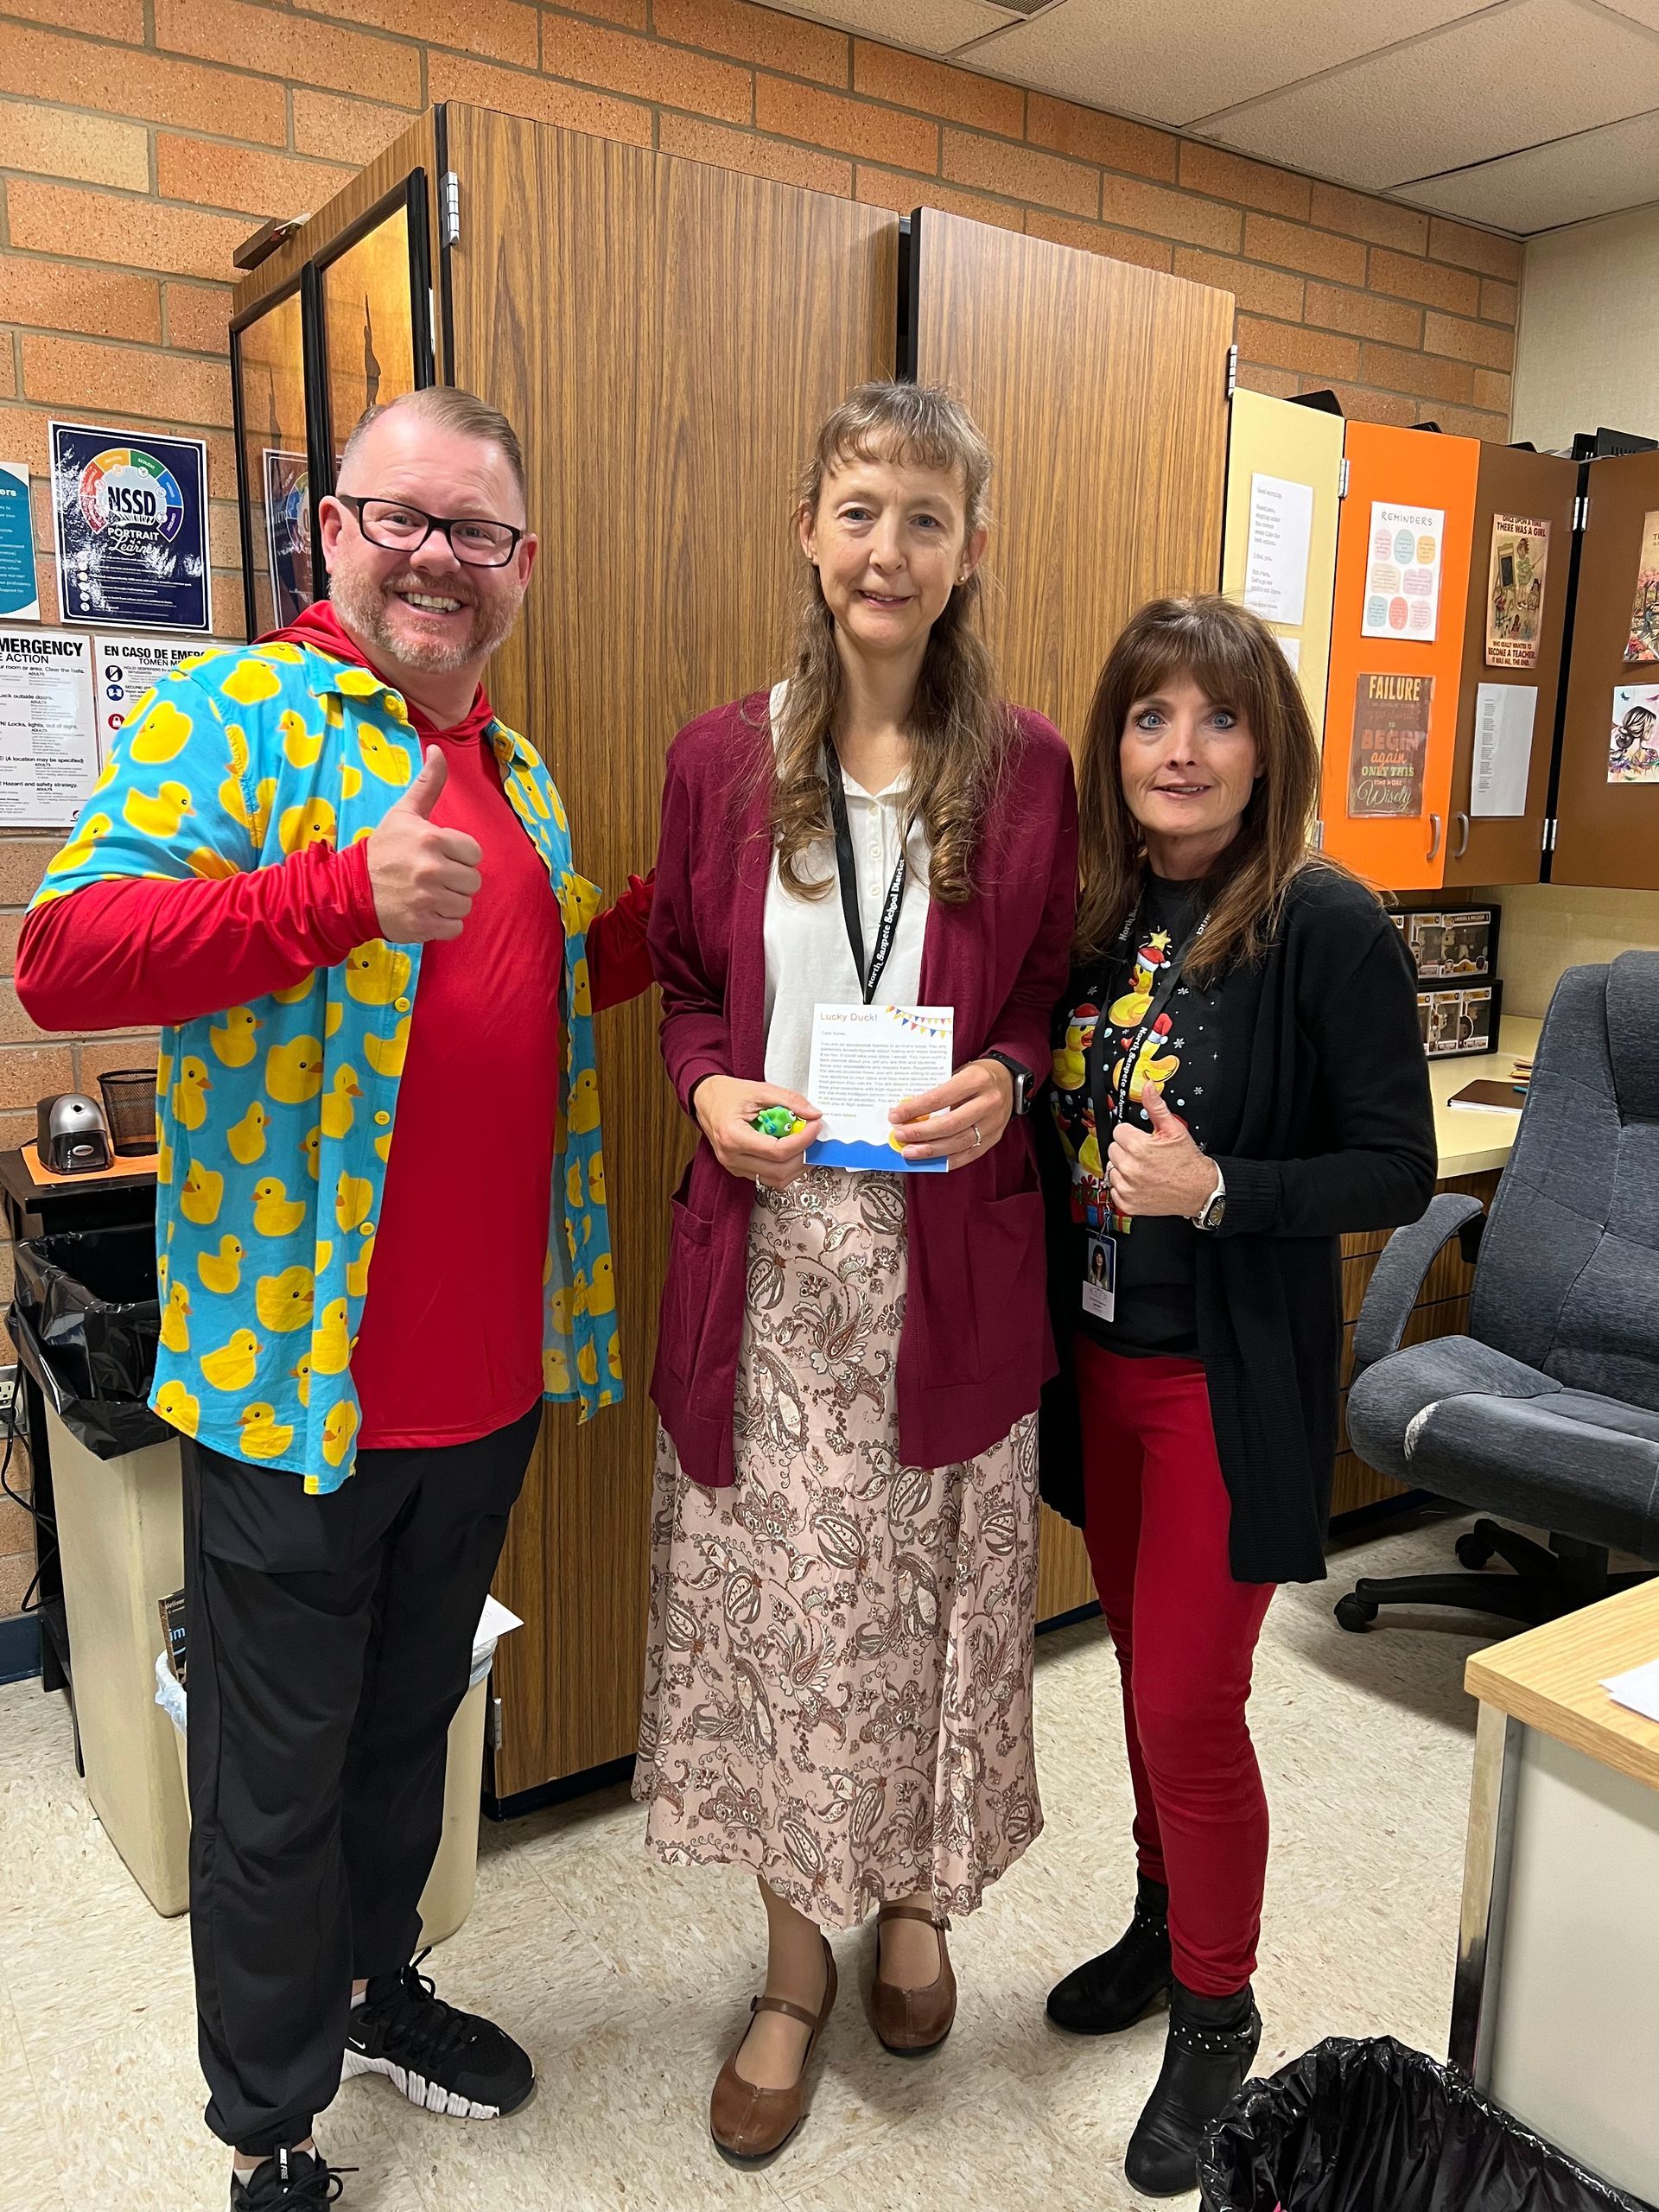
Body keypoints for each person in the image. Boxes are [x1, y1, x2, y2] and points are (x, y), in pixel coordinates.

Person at [16, 385, 653, 2212]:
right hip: (300, 1388)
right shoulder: (242, 718)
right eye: (406, 518)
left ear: (522, 568)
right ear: (334, 533)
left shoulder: (518, 773)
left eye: (480, 532)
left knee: (402, 1734)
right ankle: (271, 2121)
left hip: (484, 1388)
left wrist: (678, 914)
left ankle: (382, 1995)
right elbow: (62, 953)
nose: (441, 558)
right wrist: (330, 894)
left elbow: (549, 976)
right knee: (272, 1784)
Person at [636, 380, 1077, 2161]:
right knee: (786, 1642)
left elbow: (1048, 981)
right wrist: (709, 1082)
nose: (885, 547)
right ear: (810, 532)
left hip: (949, 1267)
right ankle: (793, 1968)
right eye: (857, 507)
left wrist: (1018, 1077)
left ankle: (920, 1900)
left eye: (923, 515)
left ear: (969, 548)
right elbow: (676, 981)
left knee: (936, 1627)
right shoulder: (715, 760)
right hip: (774, 1271)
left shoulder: (1030, 766)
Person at [1036, 595, 1435, 2197]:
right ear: (1113, 745)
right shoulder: (1099, 914)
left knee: (1194, 1706)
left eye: (1216, 718)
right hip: (1100, 1368)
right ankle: (1157, 1920)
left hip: (1222, 1383)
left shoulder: (1322, 924)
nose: (1181, 750)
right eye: (1149, 718)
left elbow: (1395, 1168)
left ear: (1265, 747)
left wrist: (1219, 1190)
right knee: (1141, 1676)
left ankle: (1219, 2011)